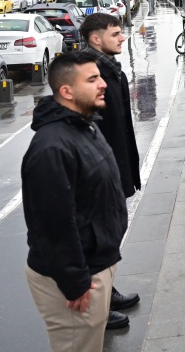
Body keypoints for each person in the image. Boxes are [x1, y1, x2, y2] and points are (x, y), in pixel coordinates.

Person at [22, 52, 128, 351]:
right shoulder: (52, 147)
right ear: (66, 91)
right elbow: (53, 224)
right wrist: (74, 281)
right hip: (77, 278)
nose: (103, 84)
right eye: (92, 79)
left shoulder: (83, 125)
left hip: (95, 262)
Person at [80, 13, 141, 328]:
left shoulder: (109, 69)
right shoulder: (89, 74)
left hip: (115, 162)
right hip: (99, 171)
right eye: (115, 33)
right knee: (97, 237)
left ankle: (107, 291)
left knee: (110, 234)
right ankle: (96, 309)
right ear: (95, 39)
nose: (122, 37)